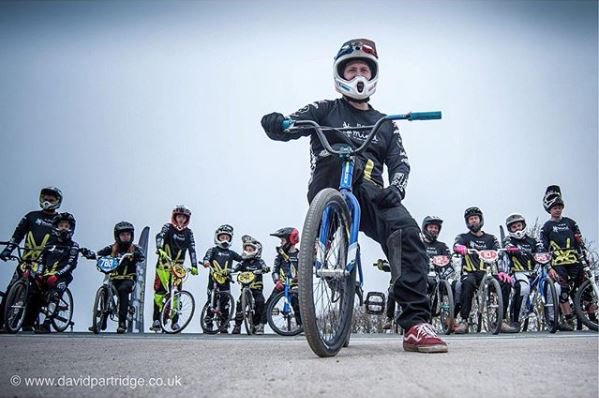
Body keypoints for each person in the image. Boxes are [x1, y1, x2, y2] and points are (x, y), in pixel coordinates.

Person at [261, 38, 446, 352]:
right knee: (341, 155)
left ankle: (416, 324)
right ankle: (319, 245)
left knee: (408, 232)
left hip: (374, 195)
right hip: (329, 184)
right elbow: (291, 125)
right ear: (340, 75)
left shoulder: (385, 123)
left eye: (363, 69)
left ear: (372, 75)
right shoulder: (323, 109)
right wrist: (277, 123)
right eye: (351, 70)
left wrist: (396, 187)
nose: (358, 75)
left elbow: (400, 162)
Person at [0, 186, 63, 331]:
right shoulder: (31, 216)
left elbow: (63, 241)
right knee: (12, 288)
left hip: (46, 262)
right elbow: (17, 235)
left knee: (36, 292)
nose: (47, 201)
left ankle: (28, 323)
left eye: (51, 199)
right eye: (45, 199)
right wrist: (8, 250)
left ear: (57, 201)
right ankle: (2, 322)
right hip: (26, 260)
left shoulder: (60, 220)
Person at [452, 207, 517, 334]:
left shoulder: (491, 238)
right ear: (467, 222)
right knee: (467, 283)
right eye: (471, 219)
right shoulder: (463, 237)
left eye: (475, 218)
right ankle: (464, 321)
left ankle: (501, 320)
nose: (473, 221)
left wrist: (506, 255)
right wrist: (460, 248)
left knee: (505, 282)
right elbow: (456, 245)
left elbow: (499, 250)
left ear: (480, 220)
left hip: (488, 272)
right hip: (470, 273)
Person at [540, 185, 589, 331]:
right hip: (558, 263)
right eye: (555, 208)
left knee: (585, 289)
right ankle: (569, 320)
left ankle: (591, 318)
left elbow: (580, 242)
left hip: (575, 261)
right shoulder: (546, 226)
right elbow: (543, 248)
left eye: (560, 207)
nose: (558, 210)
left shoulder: (571, 223)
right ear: (549, 209)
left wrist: (585, 260)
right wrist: (549, 267)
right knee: (563, 291)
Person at [83, 222, 145, 333]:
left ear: (131, 235)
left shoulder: (135, 248)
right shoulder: (111, 248)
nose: (125, 237)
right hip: (114, 278)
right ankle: (102, 320)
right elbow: (98, 253)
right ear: (117, 236)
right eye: (123, 235)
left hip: (128, 279)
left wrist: (138, 256)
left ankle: (122, 322)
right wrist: (89, 254)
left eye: (128, 235)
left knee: (123, 290)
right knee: (106, 290)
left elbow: (142, 256)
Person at [151, 205, 198, 332]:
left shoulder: (189, 233)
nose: (181, 219)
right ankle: (156, 319)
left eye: (183, 217)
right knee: (159, 292)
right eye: (179, 217)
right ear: (175, 217)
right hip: (164, 265)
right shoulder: (168, 227)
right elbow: (159, 237)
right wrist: (159, 249)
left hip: (178, 268)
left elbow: (192, 249)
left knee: (177, 293)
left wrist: (194, 266)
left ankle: (175, 321)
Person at [33, 212, 79, 333]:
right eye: (61, 225)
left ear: (71, 229)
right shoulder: (49, 244)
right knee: (33, 292)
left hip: (62, 277)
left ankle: (46, 324)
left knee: (54, 294)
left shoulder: (73, 246)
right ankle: (30, 320)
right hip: (46, 275)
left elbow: (71, 264)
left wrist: (57, 275)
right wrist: (39, 274)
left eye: (67, 226)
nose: (64, 228)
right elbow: (41, 261)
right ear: (56, 227)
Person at [501, 213, 544, 331]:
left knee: (553, 286)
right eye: (514, 227)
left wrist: (542, 250)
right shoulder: (509, 240)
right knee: (524, 287)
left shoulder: (533, 241)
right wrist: (510, 248)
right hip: (517, 273)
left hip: (534, 273)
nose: (517, 229)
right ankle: (516, 321)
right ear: (510, 229)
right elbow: (506, 245)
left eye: (519, 225)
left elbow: (541, 249)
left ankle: (555, 319)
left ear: (523, 225)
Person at [202, 224, 242, 334]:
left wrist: (244, 265)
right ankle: (208, 322)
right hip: (213, 280)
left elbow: (242, 260)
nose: (224, 240)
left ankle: (224, 324)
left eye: (227, 237)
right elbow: (206, 258)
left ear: (230, 239)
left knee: (225, 303)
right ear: (217, 237)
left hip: (226, 280)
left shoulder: (231, 253)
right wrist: (206, 262)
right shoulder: (213, 250)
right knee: (212, 301)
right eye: (222, 237)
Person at [262, 227, 301, 329]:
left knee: (296, 302)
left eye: (282, 240)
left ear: (290, 240)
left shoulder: (300, 255)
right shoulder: (280, 256)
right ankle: (260, 325)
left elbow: (309, 266)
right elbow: (274, 270)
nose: (281, 243)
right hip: (282, 284)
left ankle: (301, 325)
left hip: (295, 285)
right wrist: (277, 281)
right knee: (270, 302)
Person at [232, 235, 269, 335]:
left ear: (256, 250)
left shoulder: (260, 262)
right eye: (246, 249)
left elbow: (265, 267)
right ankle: (237, 325)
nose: (248, 251)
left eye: (250, 249)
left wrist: (265, 269)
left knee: (260, 301)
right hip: (245, 288)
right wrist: (229, 271)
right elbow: (235, 268)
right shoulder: (242, 262)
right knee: (240, 303)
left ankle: (257, 325)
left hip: (256, 289)